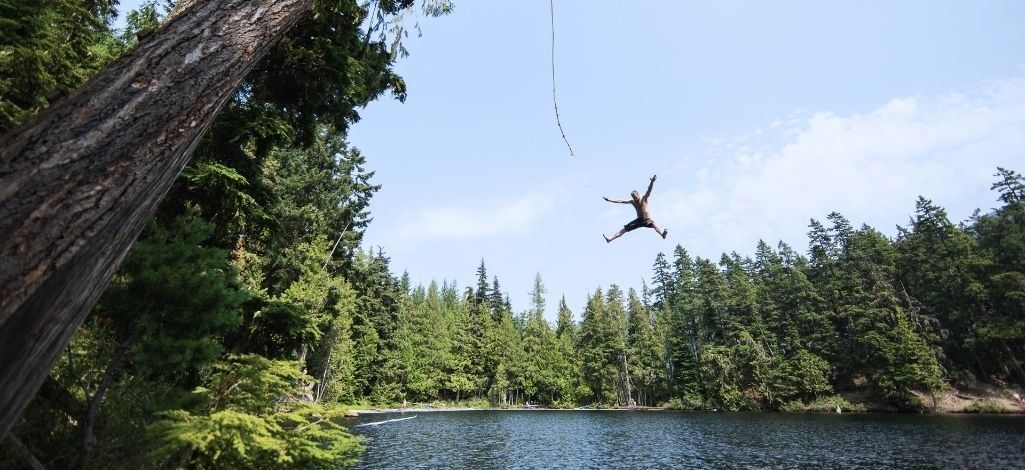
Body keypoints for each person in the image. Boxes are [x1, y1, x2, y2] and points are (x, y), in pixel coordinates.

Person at [603, 175, 668, 243]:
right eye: (633, 198)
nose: (635, 199)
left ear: (638, 195)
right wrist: (610, 200)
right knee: (624, 229)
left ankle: (662, 235)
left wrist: (652, 182)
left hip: (647, 219)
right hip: (639, 220)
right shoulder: (632, 202)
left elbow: (649, 190)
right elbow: (621, 201)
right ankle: (610, 239)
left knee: (655, 225)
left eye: (635, 197)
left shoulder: (644, 198)